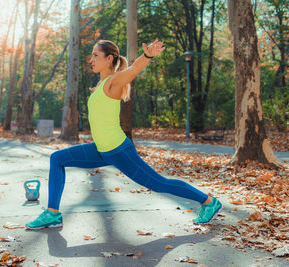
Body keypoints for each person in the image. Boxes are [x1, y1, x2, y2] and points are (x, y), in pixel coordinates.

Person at [25, 40, 222, 230]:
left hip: (118, 150)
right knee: (57, 158)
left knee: (159, 184)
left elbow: (135, 69)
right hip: (101, 149)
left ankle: (209, 201)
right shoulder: (101, 84)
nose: (91, 59)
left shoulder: (114, 81)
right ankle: (52, 214)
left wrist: (147, 56)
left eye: (96, 55)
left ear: (109, 58)